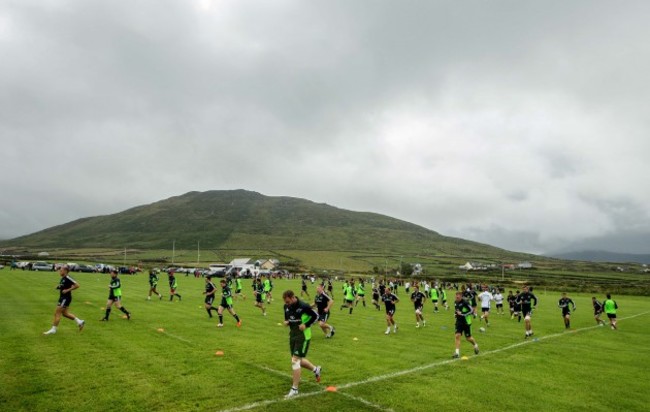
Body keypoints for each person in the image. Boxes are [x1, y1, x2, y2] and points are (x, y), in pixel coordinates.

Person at [283, 290, 321, 398]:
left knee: (295, 360)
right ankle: (316, 369)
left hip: (303, 336)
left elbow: (316, 316)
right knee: (297, 360)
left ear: (293, 297)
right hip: (293, 335)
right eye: (286, 302)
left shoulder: (304, 306)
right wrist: (287, 322)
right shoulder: (286, 307)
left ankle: (295, 389)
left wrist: (306, 324)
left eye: (288, 301)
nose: (287, 304)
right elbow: (289, 319)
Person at [43, 265, 85, 334]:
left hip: (65, 298)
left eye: (61, 270)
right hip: (63, 297)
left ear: (65, 271)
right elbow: (63, 285)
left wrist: (68, 290)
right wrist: (59, 286)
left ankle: (53, 329)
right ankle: (80, 321)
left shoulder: (68, 277)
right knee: (65, 314)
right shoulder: (63, 278)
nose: (59, 271)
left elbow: (77, 285)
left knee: (57, 313)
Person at [453, 291, 479, 358]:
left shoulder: (465, 302)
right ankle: (457, 353)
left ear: (461, 296)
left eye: (458, 296)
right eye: (456, 296)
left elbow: (471, 310)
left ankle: (475, 345)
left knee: (468, 338)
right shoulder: (455, 302)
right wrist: (455, 314)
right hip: (459, 322)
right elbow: (457, 310)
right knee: (457, 336)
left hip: (466, 322)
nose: (457, 297)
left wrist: (462, 314)